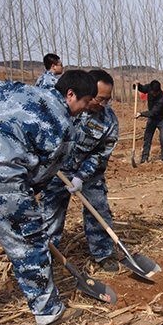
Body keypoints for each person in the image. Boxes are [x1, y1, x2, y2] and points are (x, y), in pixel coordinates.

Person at [0, 70, 97, 325]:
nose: (85, 108)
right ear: (70, 94)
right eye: (85, 101)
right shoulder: (63, 127)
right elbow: (40, 179)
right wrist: (25, 210)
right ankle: (48, 311)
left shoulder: (17, 89)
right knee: (30, 244)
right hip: (5, 179)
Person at [40, 70, 120, 272]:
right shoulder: (62, 108)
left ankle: (103, 252)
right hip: (57, 170)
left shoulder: (108, 120)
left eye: (107, 100)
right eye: (99, 99)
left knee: (98, 209)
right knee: (50, 214)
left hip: (88, 172)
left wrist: (81, 176)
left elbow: (102, 153)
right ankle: (45, 256)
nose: (102, 104)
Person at [133, 79, 163, 163]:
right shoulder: (149, 87)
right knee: (147, 137)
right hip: (152, 119)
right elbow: (141, 88)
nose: (153, 95)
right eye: (152, 93)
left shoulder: (162, 99)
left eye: (155, 93)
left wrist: (140, 114)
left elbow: (153, 112)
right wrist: (136, 85)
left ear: (159, 91)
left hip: (162, 119)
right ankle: (144, 158)